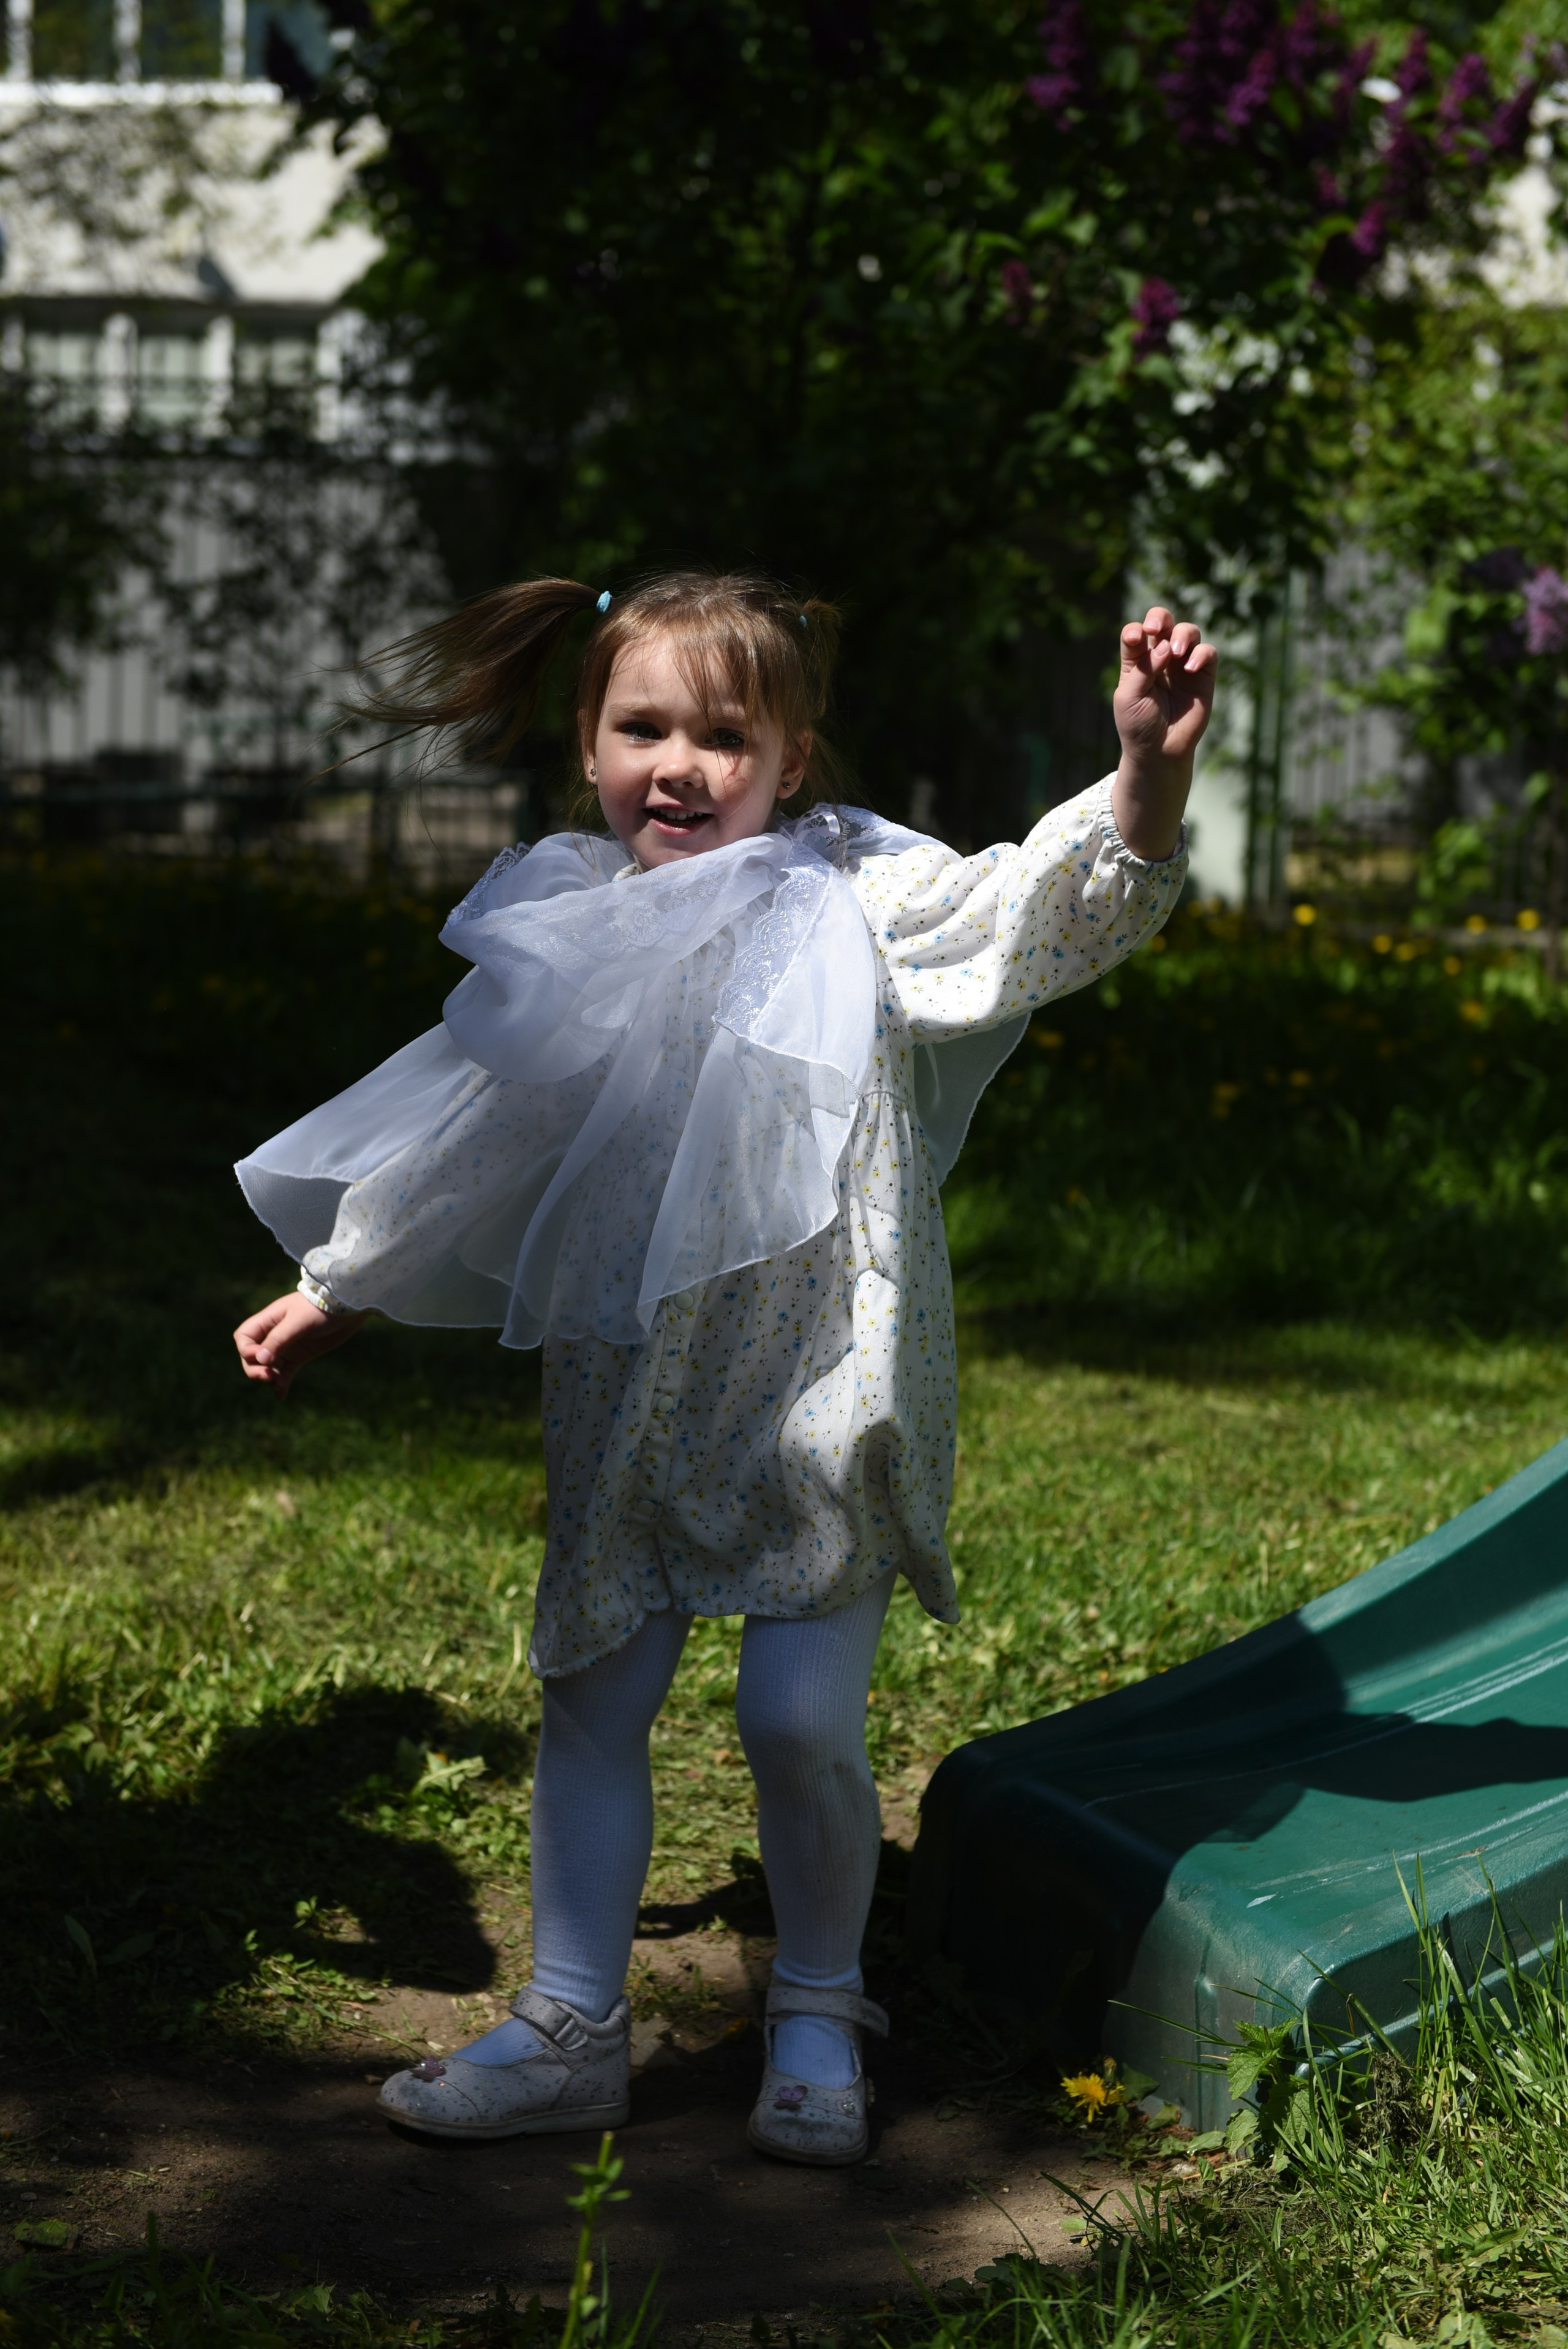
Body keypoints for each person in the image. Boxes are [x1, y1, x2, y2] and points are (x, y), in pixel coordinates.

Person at [232, 571, 1215, 2166]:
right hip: (632, 1377)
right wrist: (349, 1278)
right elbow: (496, 1123)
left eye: (721, 733)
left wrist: (1148, 770)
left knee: (799, 1716)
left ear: (793, 756)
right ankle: (569, 2023)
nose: (679, 763)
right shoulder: (586, 925)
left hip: (832, 1373)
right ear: (589, 741)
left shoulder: (859, 895)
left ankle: (819, 2003)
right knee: (594, 1688)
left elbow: (1037, 912)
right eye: (644, 728)